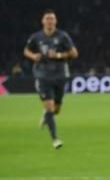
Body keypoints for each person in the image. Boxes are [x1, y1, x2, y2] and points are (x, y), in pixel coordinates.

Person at [23, 10, 79, 149]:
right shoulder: (36, 37)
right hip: (43, 76)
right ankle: (55, 139)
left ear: (56, 21)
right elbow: (26, 50)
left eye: (52, 19)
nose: (50, 21)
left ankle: (47, 115)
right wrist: (33, 56)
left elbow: (74, 53)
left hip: (60, 75)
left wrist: (58, 55)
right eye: (47, 18)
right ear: (43, 21)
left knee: (56, 110)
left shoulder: (62, 36)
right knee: (49, 106)